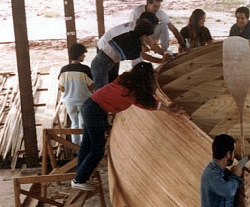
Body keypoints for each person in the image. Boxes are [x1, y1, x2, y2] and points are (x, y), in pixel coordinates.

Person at [72, 62, 181, 191]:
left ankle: (80, 176)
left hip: (90, 106)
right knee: (97, 148)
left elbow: (144, 98)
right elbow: (146, 102)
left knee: (87, 143)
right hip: (95, 110)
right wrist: (168, 110)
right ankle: (79, 179)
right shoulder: (129, 90)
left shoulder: (126, 81)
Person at [91, 17, 169, 90]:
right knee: (101, 91)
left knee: (106, 89)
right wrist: (161, 61)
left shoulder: (130, 35)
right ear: (144, 35)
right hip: (102, 65)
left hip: (104, 61)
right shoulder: (135, 42)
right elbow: (145, 57)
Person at [58, 43, 93, 145]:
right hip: (83, 101)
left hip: (69, 101)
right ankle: (84, 146)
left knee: (74, 123)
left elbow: (62, 89)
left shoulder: (63, 70)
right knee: (83, 124)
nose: (84, 56)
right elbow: (91, 87)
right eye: (83, 54)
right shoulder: (85, 69)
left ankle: (75, 146)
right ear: (79, 55)